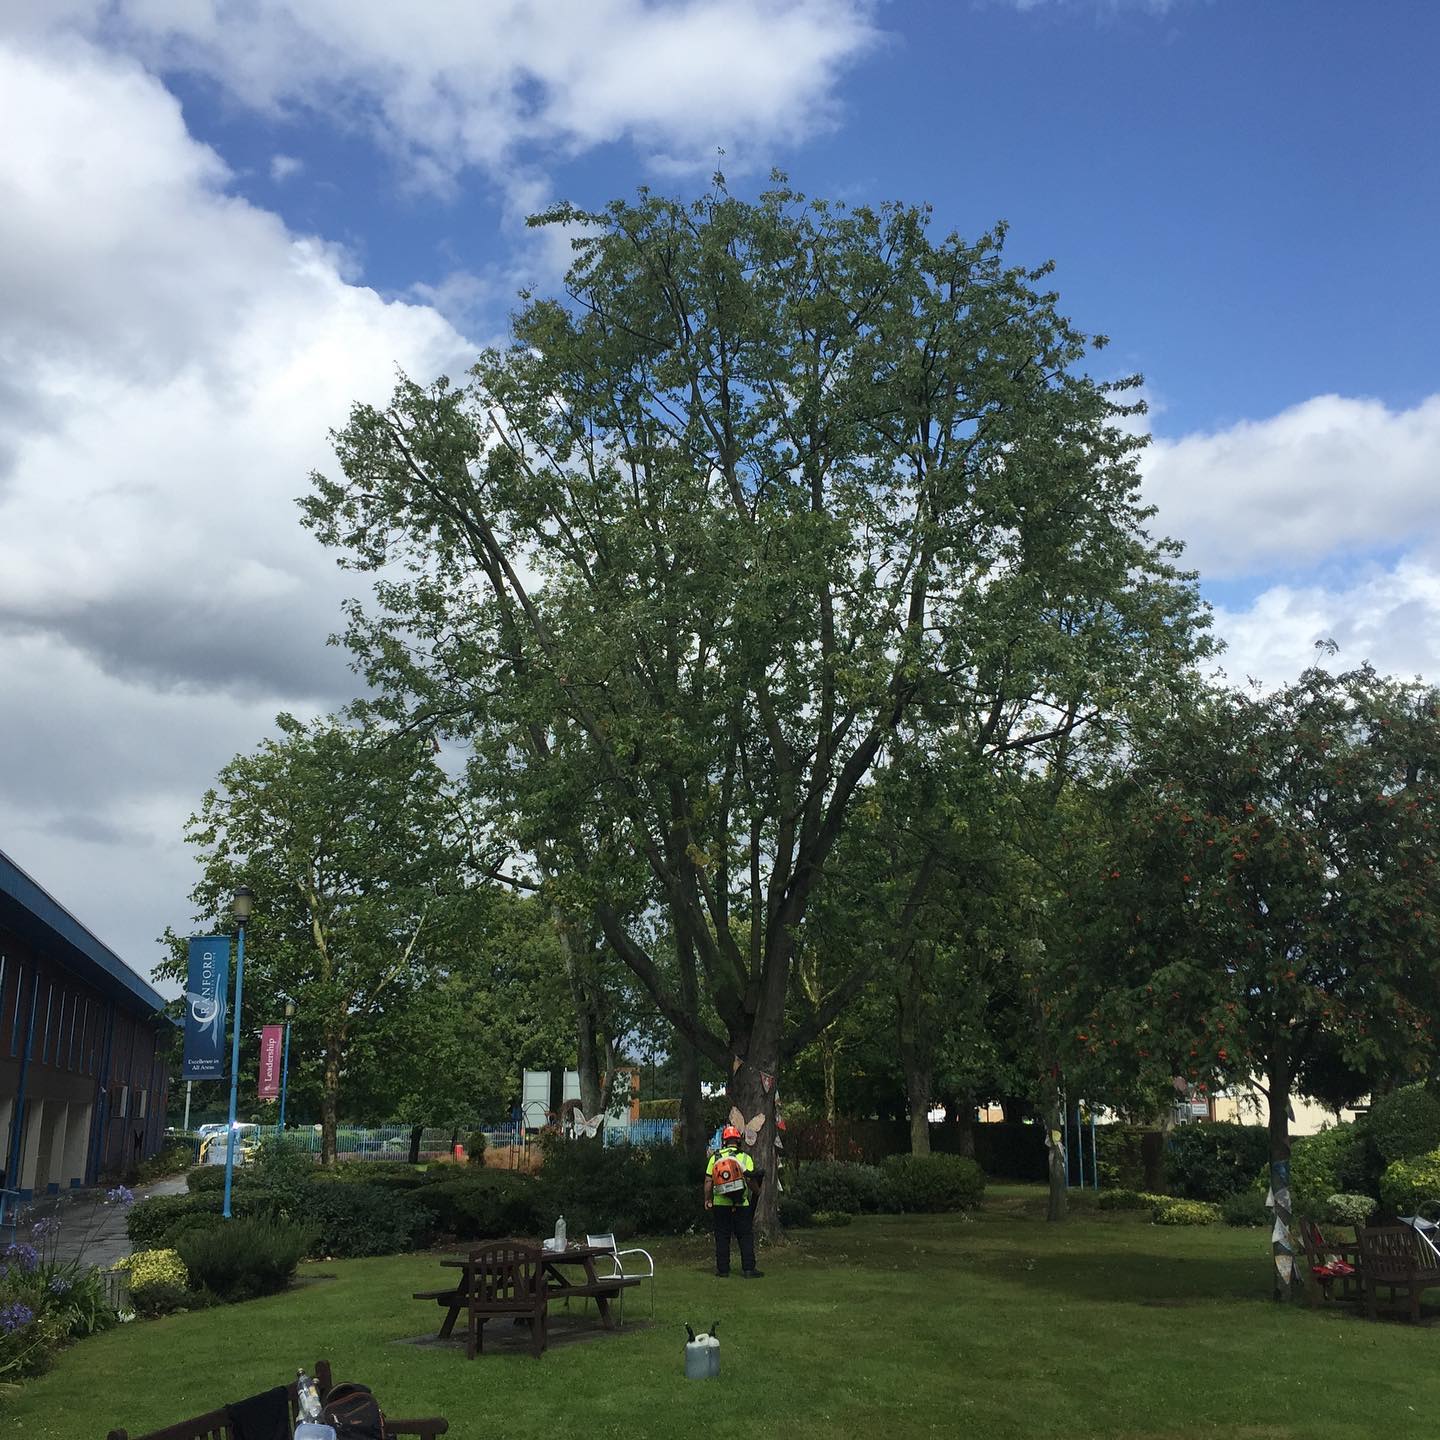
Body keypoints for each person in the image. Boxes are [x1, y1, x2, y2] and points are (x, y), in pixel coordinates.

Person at [703, 1124, 764, 1278]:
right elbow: (750, 1179)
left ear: (724, 1141)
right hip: (741, 1203)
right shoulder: (745, 1158)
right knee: (745, 1236)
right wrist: (757, 1191)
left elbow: (708, 1182)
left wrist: (707, 1199)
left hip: (720, 1204)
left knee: (722, 1236)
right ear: (738, 1141)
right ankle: (749, 1269)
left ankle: (723, 1270)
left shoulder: (715, 1158)